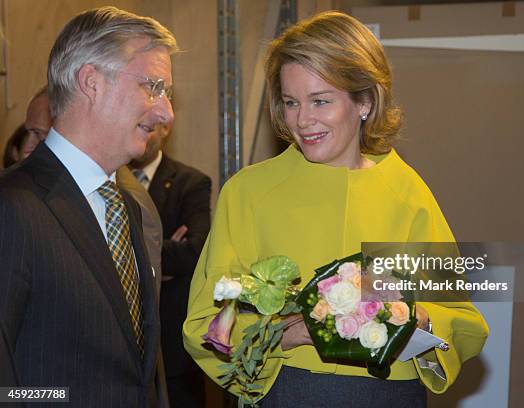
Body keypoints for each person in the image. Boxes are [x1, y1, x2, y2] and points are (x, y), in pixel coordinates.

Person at [184, 11, 488, 407]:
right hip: (286, 390)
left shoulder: (405, 193)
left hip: (388, 394)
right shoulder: (249, 192)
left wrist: (411, 317)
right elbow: (204, 325)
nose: (302, 120)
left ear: (364, 100)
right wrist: (288, 332)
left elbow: (461, 321)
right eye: (291, 102)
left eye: (320, 101)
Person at [0, 7, 177, 407]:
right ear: (91, 82)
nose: (166, 111)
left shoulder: (130, 207)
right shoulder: (12, 207)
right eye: (153, 86)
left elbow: (143, 368)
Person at [130, 123, 211, 408]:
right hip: (124, 342)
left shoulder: (191, 183)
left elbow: (196, 251)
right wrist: (164, 251)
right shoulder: (108, 179)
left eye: (150, 126)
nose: (145, 133)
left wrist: (129, 257)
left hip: (173, 346)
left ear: (165, 129)